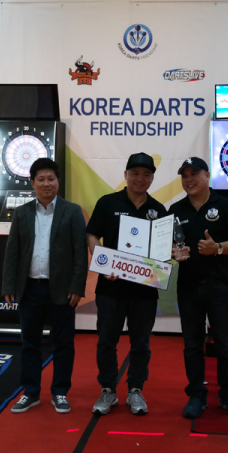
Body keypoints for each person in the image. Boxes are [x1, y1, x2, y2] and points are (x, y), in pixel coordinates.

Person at [2, 157, 87, 414]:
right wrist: (8, 285)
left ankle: (60, 392)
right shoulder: (22, 213)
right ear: (32, 183)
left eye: (51, 178)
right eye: (41, 179)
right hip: (30, 289)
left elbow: (80, 253)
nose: (46, 183)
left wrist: (77, 286)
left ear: (58, 181)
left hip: (62, 290)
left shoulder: (72, 211)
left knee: (64, 344)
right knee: (30, 344)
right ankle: (30, 392)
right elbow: (13, 252)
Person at [86, 152, 167, 416]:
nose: (140, 179)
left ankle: (135, 389)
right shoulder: (107, 203)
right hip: (110, 289)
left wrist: (170, 256)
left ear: (152, 178)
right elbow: (92, 234)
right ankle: (108, 390)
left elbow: (163, 251)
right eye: (135, 173)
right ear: (125, 175)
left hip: (145, 291)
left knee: (141, 343)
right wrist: (102, 262)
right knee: (106, 341)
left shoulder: (159, 210)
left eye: (146, 174)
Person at [169, 157, 228, 419]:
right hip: (188, 288)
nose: (189, 179)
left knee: (225, 344)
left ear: (207, 175)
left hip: (219, 287)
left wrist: (218, 248)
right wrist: (173, 253)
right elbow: (167, 247)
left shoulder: (225, 205)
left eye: (194, 174)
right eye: (184, 175)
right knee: (192, 346)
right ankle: (196, 395)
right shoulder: (175, 210)